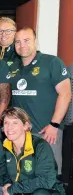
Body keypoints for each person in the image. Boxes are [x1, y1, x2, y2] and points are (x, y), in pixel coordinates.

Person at [9, 27, 72, 181]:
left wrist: (54, 125)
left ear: (35, 42)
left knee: (49, 177)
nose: (22, 45)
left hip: (47, 133)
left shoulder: (52, 62)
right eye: (18, 41)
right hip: (21, 135)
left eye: (26, 40)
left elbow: (66, 93)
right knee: (23, 177)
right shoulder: (12, 67)